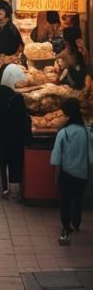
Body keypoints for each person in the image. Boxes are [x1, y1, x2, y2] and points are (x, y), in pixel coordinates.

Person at [0, 63, 31, 199]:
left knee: (3, 160)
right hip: (17, 134)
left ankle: (5, 188)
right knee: (16, 159)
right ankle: (17, 186)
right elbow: (24, 117)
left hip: (2, 133)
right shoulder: (18, 97)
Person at [51, 98, 93, 245]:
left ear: (67, 115)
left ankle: (66, 226)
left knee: (65, 200)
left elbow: (56, 157)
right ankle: (76, 223)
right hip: (82, 173)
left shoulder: (63, 133)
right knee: (77, 199)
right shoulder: (87, 132)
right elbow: (90, 157)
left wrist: (56, 176)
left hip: (66, 172)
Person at [0, 0, 24, 66]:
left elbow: (20, 46)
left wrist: (13, 56)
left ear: (7, 13)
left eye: (1, 11)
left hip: (11, 60)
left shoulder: (12, 28)